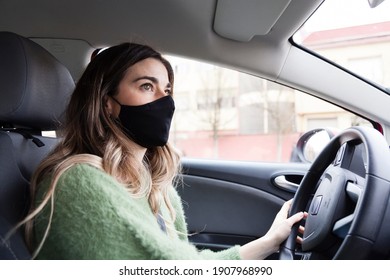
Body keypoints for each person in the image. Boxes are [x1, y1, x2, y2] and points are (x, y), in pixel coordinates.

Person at [20, 42, 305, 260]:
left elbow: (184, 265)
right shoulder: (80, 182)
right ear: (107, 103)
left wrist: (270, 242)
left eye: (167, 90)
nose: (165, 102)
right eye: (146, 86)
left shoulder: (157, 188)